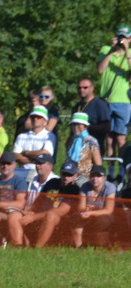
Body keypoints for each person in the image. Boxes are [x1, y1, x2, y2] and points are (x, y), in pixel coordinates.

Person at [16, 159, 80, 247]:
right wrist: (30, 210)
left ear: (75, 175)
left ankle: (38, 247)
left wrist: (33, 217)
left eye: (69, 175)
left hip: (63, 220)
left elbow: (61, 211)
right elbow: (39, 200)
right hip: (41, 214)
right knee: (17, 214)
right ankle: (18, 245)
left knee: (51, 216)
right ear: (60, 173)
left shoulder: (75, 189)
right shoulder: (52, 182)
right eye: (64, 174)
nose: (66, 177)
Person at [96, 25, 131, 163]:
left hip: (124, 101)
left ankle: (123, 169)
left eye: (124, 37)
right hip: (107, 99)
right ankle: (110, 170)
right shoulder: (106, 50)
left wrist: (126, 51)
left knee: (121, 138)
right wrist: (112, 50)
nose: (121, 40)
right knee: (109, 138)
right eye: (119, 37)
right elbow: (100, 69)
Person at [74, 165, 115, 247]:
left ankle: (102, 246)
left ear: (104, 178)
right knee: (75, 219)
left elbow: (109, 210)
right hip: (87, 214)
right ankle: (78, 247)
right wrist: (94, 209)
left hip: (105, 216)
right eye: (93, 176)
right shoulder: (85, 186)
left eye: (98, 176)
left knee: (101, 220)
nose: (95, 178)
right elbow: (81, 207)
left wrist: (91, 211)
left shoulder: (110, 187)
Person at [13, 105, 56, 182]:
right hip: (22, 174)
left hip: (40, 175)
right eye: (33, 117)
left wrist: (25, 153)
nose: (35, 119)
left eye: (39, 117)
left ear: (45, 121)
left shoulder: (49, 136)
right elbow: (15, 156)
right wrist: (37, 161)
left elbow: (46, 153)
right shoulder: (21, 136)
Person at [71, 78, 111, 150]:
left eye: (85, 87)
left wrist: (87, 128)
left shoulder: (99, 105)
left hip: (94, 147)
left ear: (92, 88)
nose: (81, 90)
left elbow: (107, 127)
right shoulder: (77, 106)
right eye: (79, 88)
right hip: (77, 146)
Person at [64, 112, 102, 182]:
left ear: (85, 126)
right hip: (69, 174)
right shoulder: (70, 140)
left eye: (79, 124)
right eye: (74, 124)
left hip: (85, 177)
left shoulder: (91, 141)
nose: (76, 127)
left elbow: (98, 164)